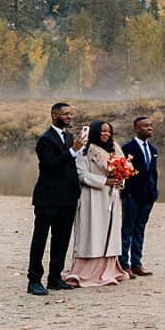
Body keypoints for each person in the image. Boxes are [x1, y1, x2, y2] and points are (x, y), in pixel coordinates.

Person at [63, 121, 133, 287]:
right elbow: (80, 173)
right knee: (93, 230)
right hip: (92, 196)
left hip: (112, 196)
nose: (106, 134)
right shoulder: (85, 149)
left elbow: (125, 168)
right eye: (102, 131)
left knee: (110, 231)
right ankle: (87, 271)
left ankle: (109, 269)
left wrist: (119, 181)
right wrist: (104, 181)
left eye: (108, 131)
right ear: (95, 131)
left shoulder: (115, 148)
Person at [27, 101, 85, 295]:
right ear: (54, 115)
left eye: (70, 114)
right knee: (40, 239)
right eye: (65, 114)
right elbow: (50, 165)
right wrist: (72, 151)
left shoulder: (68, 137)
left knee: (62, 239)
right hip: (48, 198)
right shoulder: (45, 140)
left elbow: (70, 167)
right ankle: (34, 280)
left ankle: (55, 278)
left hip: (67, 198)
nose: (69, 117)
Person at [120, 115, 160, 276]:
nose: (149, 128)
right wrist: (126, 193)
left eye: (151, 126)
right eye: (145, 126)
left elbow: (153, 172)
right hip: (132, 196)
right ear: (136, 128)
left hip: (148, 196)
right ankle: (124, 265)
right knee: (127, 230)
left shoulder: (153, 150)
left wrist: (154, 191)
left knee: (140, 229)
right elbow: (122, 173)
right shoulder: (127, 148)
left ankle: (137, 263)